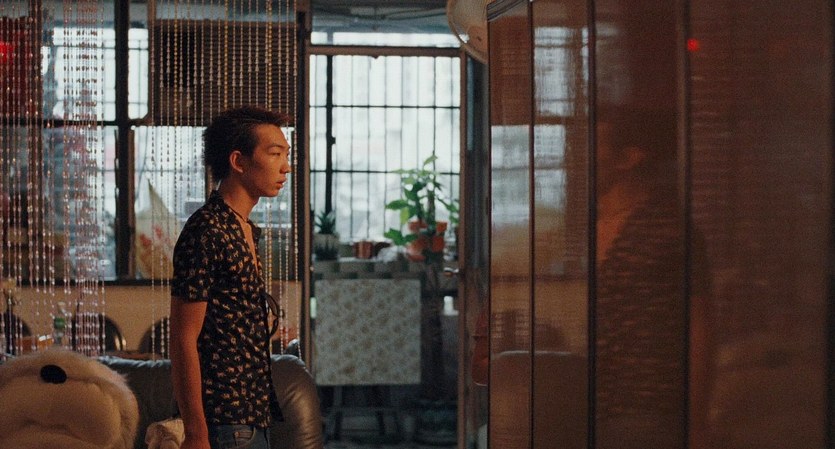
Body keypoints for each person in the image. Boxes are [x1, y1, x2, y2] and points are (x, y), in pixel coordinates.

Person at [169, 106, 292, 449]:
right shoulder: (207, 229)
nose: (286, 166)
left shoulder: (245, 228)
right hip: (224, 422)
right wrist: (196, 433)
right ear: (238, 161)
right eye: (275, 153)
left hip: (251, 417)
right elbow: (182, 338)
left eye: (286, 154)